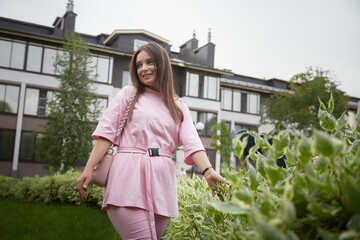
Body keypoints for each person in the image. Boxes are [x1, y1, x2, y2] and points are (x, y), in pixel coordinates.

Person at [77, 42, 229, 240]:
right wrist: (89, 169)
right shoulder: (128, 94)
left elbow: (193, 142)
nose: (143, 69)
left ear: (162, 64)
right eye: (139, 65)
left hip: (161, 185)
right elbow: (106, 133)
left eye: (149, 62)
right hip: (127, 179)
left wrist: (208, 172)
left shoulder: (179, 106)